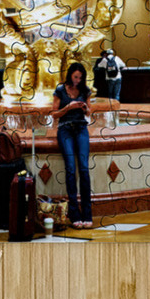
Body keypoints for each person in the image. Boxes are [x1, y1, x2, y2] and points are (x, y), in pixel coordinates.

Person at [52, 63, 93, 228]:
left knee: (84, 168)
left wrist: (85, 108)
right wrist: (68, 107)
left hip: (81, 128)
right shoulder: (60, 90)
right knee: (70, 168)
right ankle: (74, 214)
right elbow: (54, 114)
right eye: (76, 77)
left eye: (80, 78)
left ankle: (87, 213)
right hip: (65, 130)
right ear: (70, 75)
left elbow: (90, 112)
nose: (78, 80)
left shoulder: (85, 91)